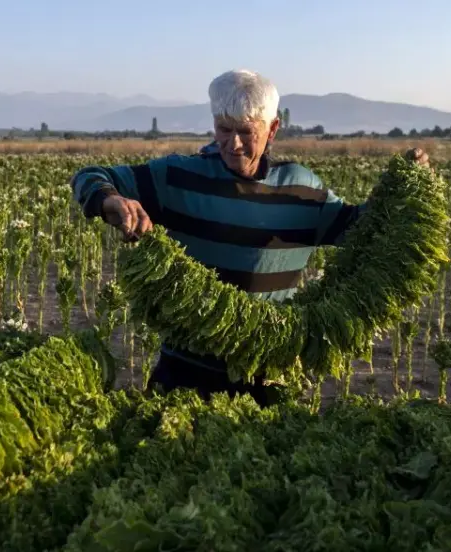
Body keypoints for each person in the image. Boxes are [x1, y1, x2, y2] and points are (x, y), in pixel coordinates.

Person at [71, 69, 430, 406]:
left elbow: (364, 231)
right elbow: (92, 175)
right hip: (184, 371)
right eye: (224, 130)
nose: (234, 144)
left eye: (246, 131)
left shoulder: (302, 190)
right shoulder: (176, 176)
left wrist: (405, 187)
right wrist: (110, 199)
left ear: (273, 128)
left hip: (267, 372)